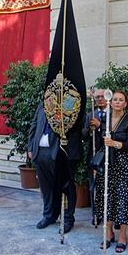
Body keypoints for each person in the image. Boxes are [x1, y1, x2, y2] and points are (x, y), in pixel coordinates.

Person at [93, 90, 128, 252]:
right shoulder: (104, 120)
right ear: (110, 102)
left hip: (124, 165)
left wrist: (114, 143)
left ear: (125, 104)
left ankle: (123, 236)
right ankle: (108, 233)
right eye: (115, 100)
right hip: (106, 164)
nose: (117, 102)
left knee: (123, 199)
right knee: (106, 198)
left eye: (121, 100)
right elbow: (99, 144)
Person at [28, 99, 81, 231]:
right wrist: (30, 147)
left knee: (66, 187)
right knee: (46, 187)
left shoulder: (70, 102)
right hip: (40, 151)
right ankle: (49, 215)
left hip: (60, 152)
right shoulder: (43, 103)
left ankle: (68, 218)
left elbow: (75, 127)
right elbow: (34, 125)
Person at [83, 88, 108, 224]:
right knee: (94, 187)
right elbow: (84, 134)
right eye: (97, 96)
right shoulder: (90, 115)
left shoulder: (113, 114)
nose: (100, 99)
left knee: (109, 187)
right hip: (93, 156)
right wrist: (89, 130)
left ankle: (110, 215)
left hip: (108, 156)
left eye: (102, 96)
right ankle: (96, 214)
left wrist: (100, 126)